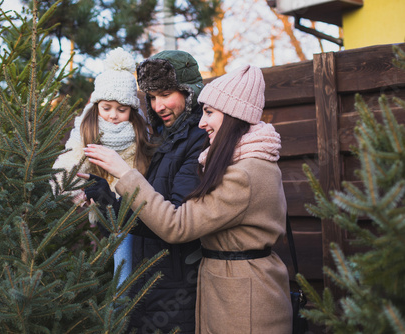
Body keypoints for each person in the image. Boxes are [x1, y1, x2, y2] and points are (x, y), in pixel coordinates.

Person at [80, 65, 293, 333]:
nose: (202, 122)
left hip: (244, 299)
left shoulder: (244, 173)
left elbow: (178, 225)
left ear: (233, 115)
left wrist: (124, 172)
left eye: (209, 113)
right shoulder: (228, 160)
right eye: (152, 98)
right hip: (224, 289)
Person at [85, 50, 207, 333]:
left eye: (165, 94)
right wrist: (100, 197)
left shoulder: (199, 140)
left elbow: (173, 220)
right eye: (151, 97)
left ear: (189, 92)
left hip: (175, 288)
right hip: (145, 280)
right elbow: (141, 212)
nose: (158, 105)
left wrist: (113, 191)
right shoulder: (160, 138)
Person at [51, 47, 153, 285]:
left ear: (132, 109)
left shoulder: (139, 131)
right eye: (106, 108)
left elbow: (143, 170)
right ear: (97, 105)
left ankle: (122, 303)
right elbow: (68, 163)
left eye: (122, 109)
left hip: (128, 211)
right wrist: (75, 191)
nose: (113, 115)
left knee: (125, 265)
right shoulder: (87, 128)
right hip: (96, 207)